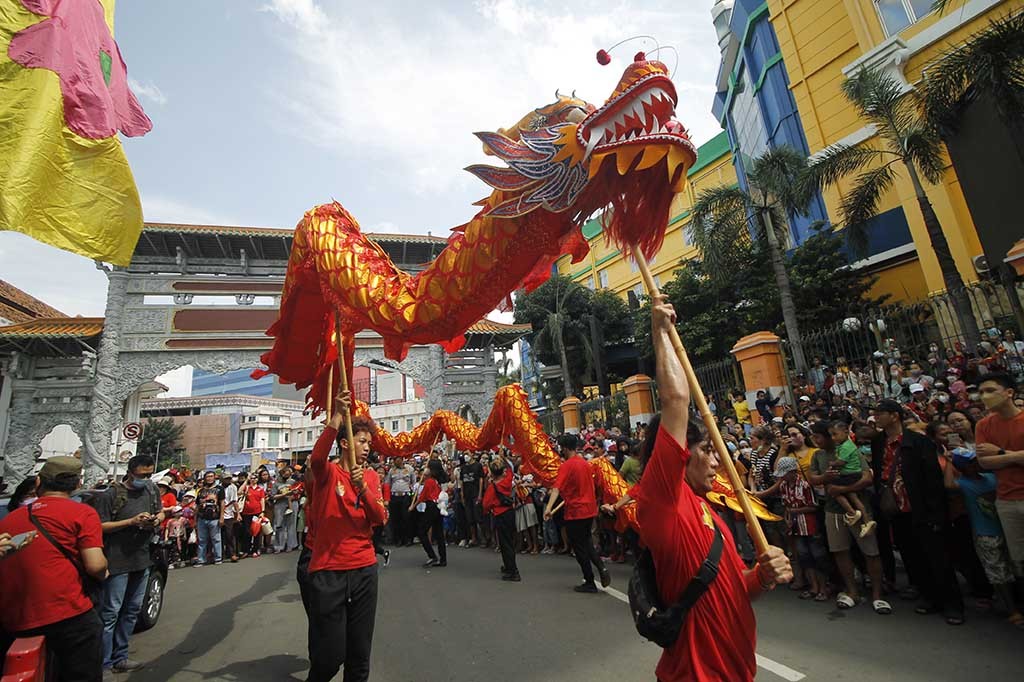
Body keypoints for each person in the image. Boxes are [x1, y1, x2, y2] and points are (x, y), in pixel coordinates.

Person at [631, 294, 792, 681]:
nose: (719, 460)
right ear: (679, 455)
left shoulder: (710, 512)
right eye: (707, 450)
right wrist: (660, 333)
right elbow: (674, 399)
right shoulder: (662, 502)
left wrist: (764, 575)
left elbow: (740, 588)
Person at [0, 457, 108, 682]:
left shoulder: (10, 518)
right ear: (78, 484)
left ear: (38, 482)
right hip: (68, 613)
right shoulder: (83, 513)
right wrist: (103, 572)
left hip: (15, 617)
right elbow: (95, 564)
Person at [306, 392, 386, 682]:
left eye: (369, 443)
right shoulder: (327, 474)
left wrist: (363, 489)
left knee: (359, 657)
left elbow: (380, 518)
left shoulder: (372, 478)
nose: (367, 448)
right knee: (329, 657)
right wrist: (338, 416)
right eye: (362, 441)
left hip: (364, 569)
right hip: (329, 571)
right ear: (344, 443)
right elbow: (316, 458)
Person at [871, 399, 964, 624]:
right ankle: (929, 597)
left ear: (894, 415)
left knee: (937, 557)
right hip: (896, 508)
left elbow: (932, 481)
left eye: (880, 413)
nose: (876, 417)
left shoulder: (919, 442)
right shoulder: (878, 442)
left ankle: (952, 604)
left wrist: (936, 513)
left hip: (921, 508)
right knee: (913, 557)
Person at [808, 422, 890, 614]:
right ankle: (852, 591)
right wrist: (825, 477)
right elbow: (813, 479)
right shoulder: (818, 456)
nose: (815, 440)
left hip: (860, 508)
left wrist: (843, 489)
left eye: (819, 436)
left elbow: (867, 478)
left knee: (871, 551)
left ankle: (878, 595)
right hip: (832, 509)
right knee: (840, 551)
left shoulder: (848, 450)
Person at [93, 454, 162, 674]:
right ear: (131, 471)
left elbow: (160, 511)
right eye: (143, 474)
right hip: (115, 561)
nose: (147, 478)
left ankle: (120, 656)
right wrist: (131, 522)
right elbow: (100, 526)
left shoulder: (152, 490)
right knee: (111, 612)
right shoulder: (111, 494)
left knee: (132, 610)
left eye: (150, 474)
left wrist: (157, 519)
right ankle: (104, 664)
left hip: (142, 558)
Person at [943, 448, 1023, 628]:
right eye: (970, 463)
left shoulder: (992, 478)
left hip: (1006, 527)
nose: (975, 464)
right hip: (985, 532)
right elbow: (948, 485)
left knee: (1017, 566)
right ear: (963, 467)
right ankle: (1012, 610)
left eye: (975, 461)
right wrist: (949, 461)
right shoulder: (963, 483)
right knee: (998, 573)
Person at [544, 433, 610, 593]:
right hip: (589, 509)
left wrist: (548, 507)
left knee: (579, 548)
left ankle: (589, 581)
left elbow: (556, 488)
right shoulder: (584, 463)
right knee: (586, 541)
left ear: (565, 448)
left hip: (576, 511)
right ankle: (601, 567)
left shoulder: (567, 466)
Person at [975, 372, 1024, 576]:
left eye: (990, 390)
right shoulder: (983, 425)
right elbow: (984, 462)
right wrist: (1017, 456)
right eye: (981, 392)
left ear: (1009, 393)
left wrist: (1001, 453)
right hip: (1005, 500)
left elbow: (993, 457)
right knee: (1020, 559)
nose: (984, 396)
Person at [826, 421, 876, 536]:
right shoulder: (845, 445)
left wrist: (832, 463)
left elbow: (841, 462)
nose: (833, 438)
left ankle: (851, 512)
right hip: (852, 475)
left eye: (835, 434)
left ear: (846, 432)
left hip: (850, 475)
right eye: (831, 435)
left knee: (833, 489)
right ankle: (866, 521)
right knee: (854, 498)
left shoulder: (846, 446)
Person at [483, 455, 520, 581]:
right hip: (510, 512)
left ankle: (513, 571)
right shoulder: (507, 480)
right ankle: (509, 566)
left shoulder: (492, 488)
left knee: (505, 543)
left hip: (500, 514)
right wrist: (503, 458)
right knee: (509, 541)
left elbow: (485, 505)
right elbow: (510, 469)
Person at [412, 459, 447, 568]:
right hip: (439, 506)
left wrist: (413, 506)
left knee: (421, 531)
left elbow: (422, 496)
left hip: (431, 507)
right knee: (439, 533)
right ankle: (443, 559)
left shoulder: (430, 481)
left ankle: (432, 556)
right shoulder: (438, 480)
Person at [193, 471, 224, 565]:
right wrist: (195, 519)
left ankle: (218, 558)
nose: (209, 478)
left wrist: (222, 517)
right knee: (202, 540)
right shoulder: (201, 490)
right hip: (202, 518)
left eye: (211, 476)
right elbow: (197, 506)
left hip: (214, 518)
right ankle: (201, 559)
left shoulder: (219, 489)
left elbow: (222, 503)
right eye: (207, 477)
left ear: (214, 477)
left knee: (216, 539)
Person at [384, 456, 415, 546]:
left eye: (398, 459)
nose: (396, 461)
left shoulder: (410, 469)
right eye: (395, 460)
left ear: (402, 459)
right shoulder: (391, 471)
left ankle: (408, 539)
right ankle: (398, 539)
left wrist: (412, 494)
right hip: (394, 497)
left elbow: (413, 482)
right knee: (396, 519)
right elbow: (387, 484)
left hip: (406, 496)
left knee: (406, 518)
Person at [459, 453, 484, 547]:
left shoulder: (478, 465)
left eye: (468, 454)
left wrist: (480, 494)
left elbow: (481, 479)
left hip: (475, 494)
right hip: (467, 495)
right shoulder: (463, 468)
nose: (466, 456)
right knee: (470, 518)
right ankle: (473, 538)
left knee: (478, 517)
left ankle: (484, 538)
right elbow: (461, 481)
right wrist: (462, 494)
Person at [239, 473, 266, 557]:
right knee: (247, 532)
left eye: (255, 478)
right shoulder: (247, 488)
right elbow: (239, 492)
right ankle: (246, 550)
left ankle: (255, 549)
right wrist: (246, 481)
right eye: (252, 478)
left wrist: (262, 511)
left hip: (257, 512)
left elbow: (262, 500)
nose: (253, 479)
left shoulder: (260, 489)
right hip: (246, 513)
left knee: (256, 532)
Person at [220, 471, 239, 562]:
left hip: (229, 513)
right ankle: (220, 554)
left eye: (229, 478)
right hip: (218, 513)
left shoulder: (233, 487)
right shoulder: (218, 487)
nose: (228, 480)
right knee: (219, 536)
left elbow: (234, 501)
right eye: (226, 478)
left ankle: (232, 553)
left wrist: (238, 514)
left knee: (229, 535)